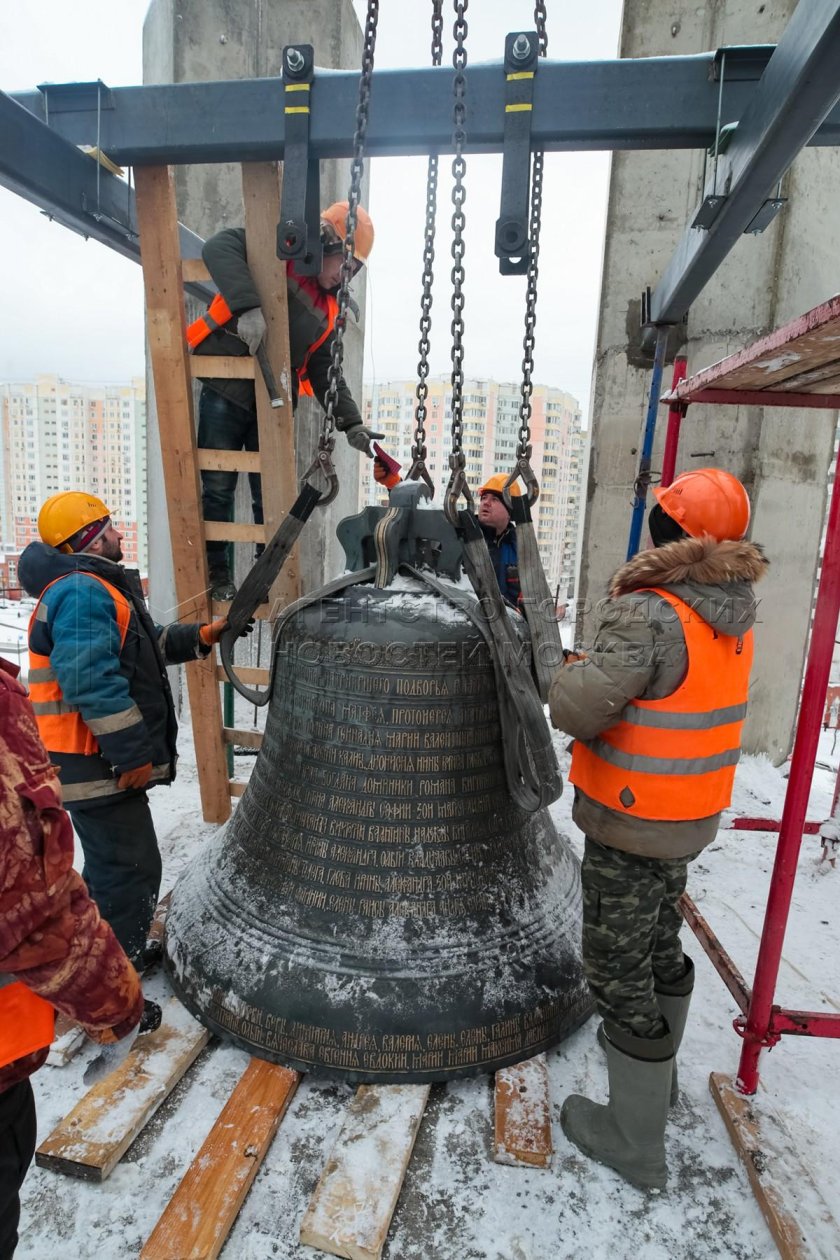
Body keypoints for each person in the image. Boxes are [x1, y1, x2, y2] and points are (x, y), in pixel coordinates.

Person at [547, 468, 768, 1190]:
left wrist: (560, 672)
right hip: (686, 815)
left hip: (631, 816)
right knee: (658, 938)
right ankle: (657, 1078)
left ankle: (633, 1140)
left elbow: (578, 709)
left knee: (615, 963)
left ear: (670, 531)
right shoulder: (730, 609)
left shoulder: (650, 612)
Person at [17, 491, 243, 969]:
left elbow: (144, 647)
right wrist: (130, 754)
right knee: (130, 871)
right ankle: (116, 977)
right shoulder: (83, 592)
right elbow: (89, 680)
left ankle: (93, 959)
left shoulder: (93, 589)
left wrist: (200, 637)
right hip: (97, 763)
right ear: (92, 540)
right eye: (110, 528)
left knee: (111, 869)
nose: (119, 534)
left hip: (90, 760)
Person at [0, 651, 150, 1259]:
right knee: (128, 867)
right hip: (101, 765)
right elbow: (29, 907)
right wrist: (116, 1008)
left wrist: (190, 639)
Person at [187, 201, 384, 600]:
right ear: (326, 244)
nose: (345, 276)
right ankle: (218, 578)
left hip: (273, 402)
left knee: (270, 497)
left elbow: (326, 369)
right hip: (227, 387)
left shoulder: (328, 309)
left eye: (353, 270)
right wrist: (247, 306)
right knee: (218, 488)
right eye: (344, 265)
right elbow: (219, 247)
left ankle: (263, 579)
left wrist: (352, 423)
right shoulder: (279, 256)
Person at [476, 474, 523, 608]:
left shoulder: (519, 547)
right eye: (484, 497)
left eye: (495, 499)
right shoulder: (465, 537)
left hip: (509, 619)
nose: (486, 502)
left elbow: (531, 590)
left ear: (509, 511)